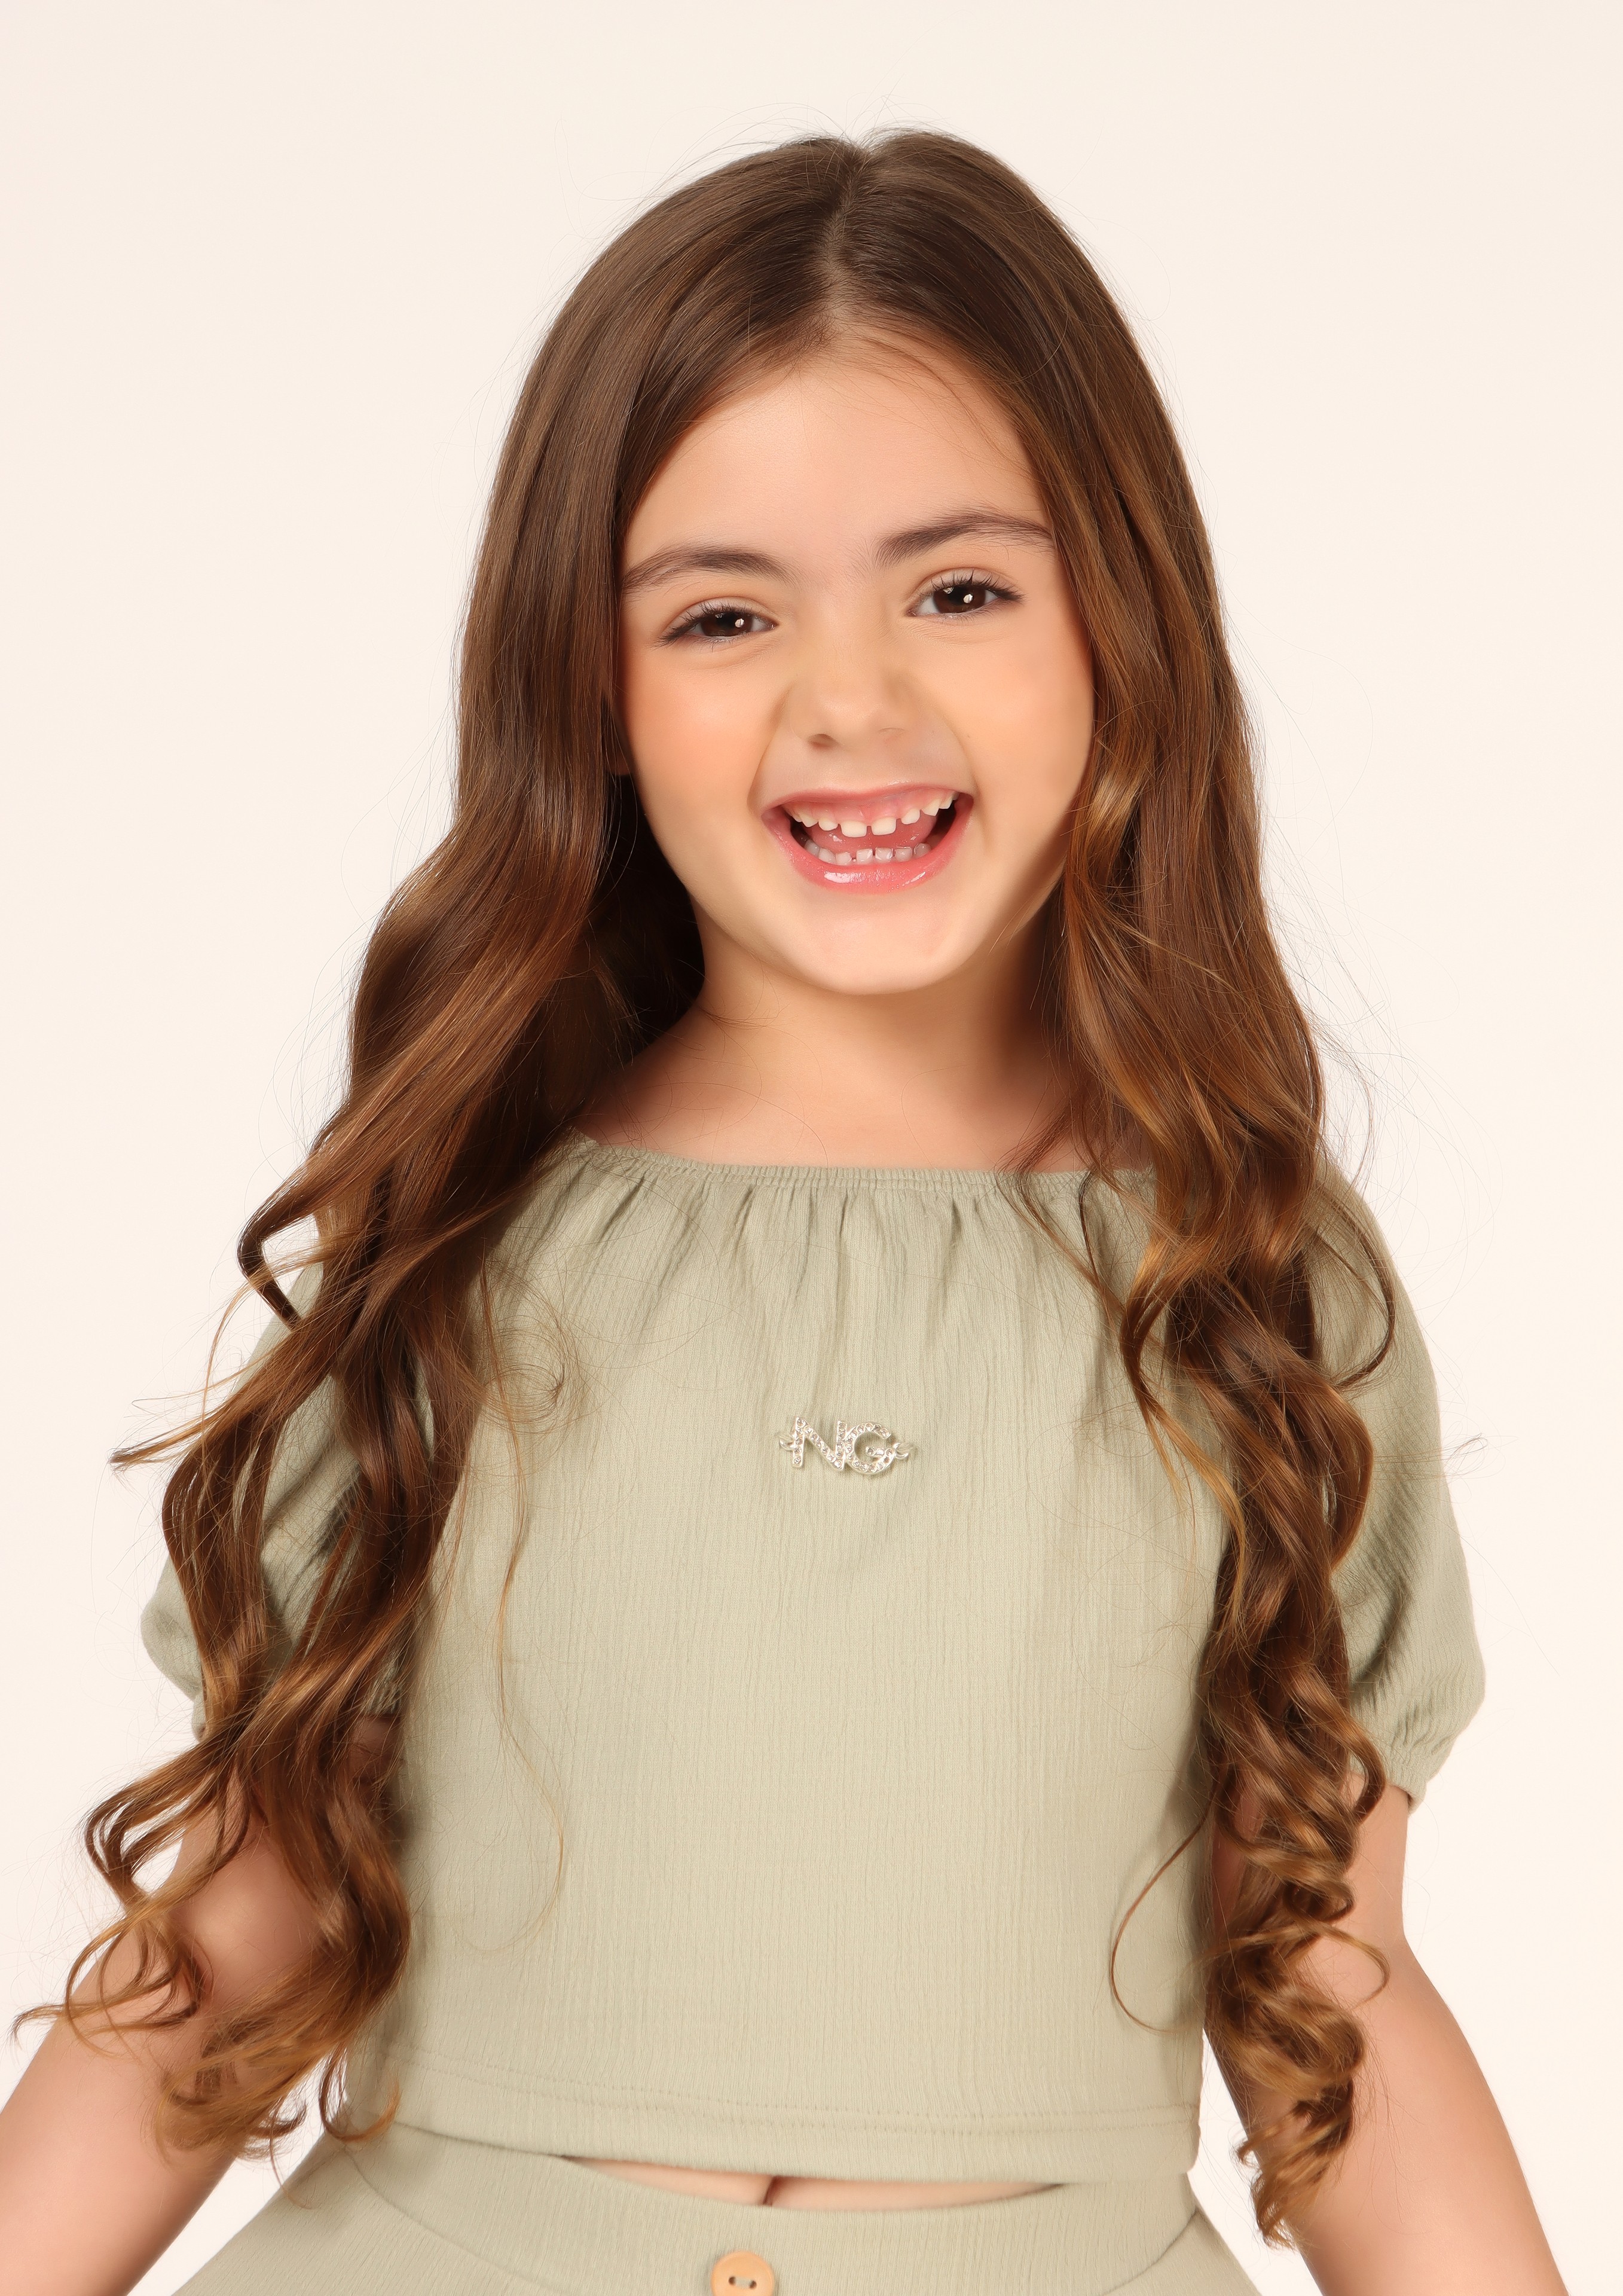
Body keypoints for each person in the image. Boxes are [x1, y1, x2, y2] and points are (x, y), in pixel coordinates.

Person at [0, 129, 1566, 2296]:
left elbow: (1331, 1986)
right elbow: (229, 1937)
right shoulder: (458, 1247)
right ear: (594, 690)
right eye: (722, 616)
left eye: (959, 590)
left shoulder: (1247, 1283)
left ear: (1120, 624)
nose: (851, 703)